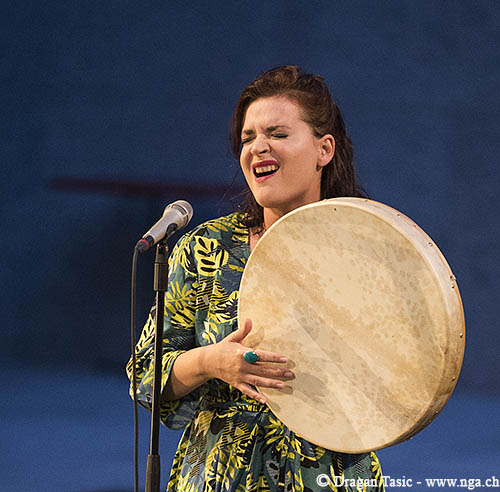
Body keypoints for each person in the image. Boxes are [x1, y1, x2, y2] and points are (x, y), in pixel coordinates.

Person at [127, 65, 384, 491]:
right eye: (248, 138)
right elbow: (144, 375)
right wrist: (210, 362)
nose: (258, 147)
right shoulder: (206, 249)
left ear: (324, 150)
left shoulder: (365, 251)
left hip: (329, 473)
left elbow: (401, 376)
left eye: (278, 134)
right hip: (218, 474)